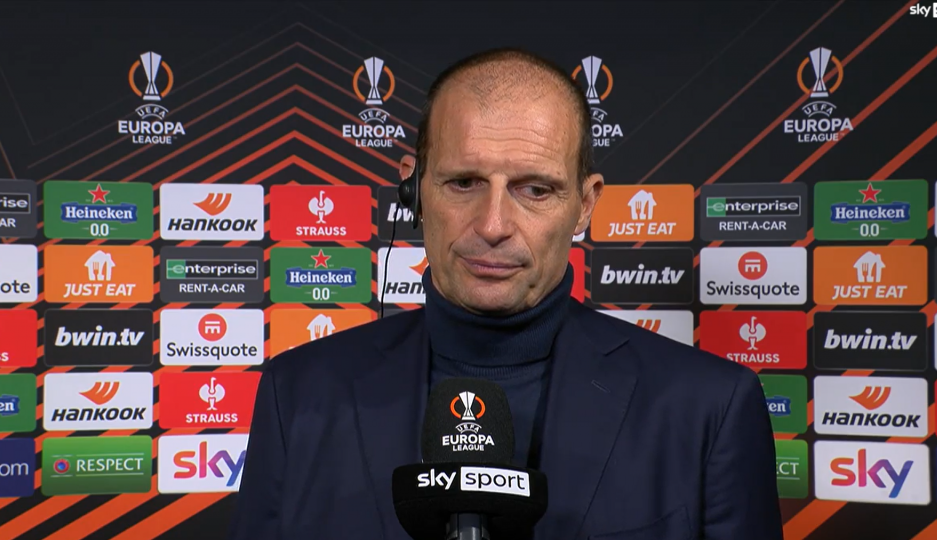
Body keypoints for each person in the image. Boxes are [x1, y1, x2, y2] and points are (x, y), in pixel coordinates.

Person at [229, 47, 783, 540]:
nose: (493, 225)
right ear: (414, 188)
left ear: (585, 205)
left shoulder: (709, 407)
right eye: (463, 182)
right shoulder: (297, 393)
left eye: (535, 189)